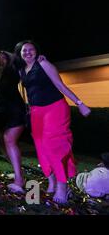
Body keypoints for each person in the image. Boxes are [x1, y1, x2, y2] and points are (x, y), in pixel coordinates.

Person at [16, 40, 91, 203]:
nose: (27, 52)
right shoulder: (21, 70)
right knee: (41, 147)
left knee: (54, 146)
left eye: (31, 49)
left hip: (54, 108)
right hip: (36, 112)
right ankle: (52, 182)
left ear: (37, 51)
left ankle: (63, 188)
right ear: (20, 54)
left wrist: (80, 104)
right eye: (24, 51)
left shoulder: (43, 64)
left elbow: (60, 85)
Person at [0, 51, 27, 193]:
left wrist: (10, 58)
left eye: (4, 58)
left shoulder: (11, 71)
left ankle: (19, 180)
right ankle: (18, 172)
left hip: (14, 110)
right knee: (2, 142)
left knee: (9, 140)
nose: (1, 60)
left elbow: (18, 59)